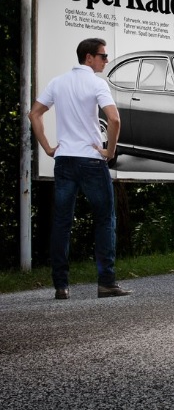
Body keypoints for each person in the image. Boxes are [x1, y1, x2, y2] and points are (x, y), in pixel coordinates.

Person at [28, 38, 132, 299]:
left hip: (64, 161)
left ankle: (61, 286)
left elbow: (34, 114)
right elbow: (114, 118)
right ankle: (106, 282)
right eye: (103, 56)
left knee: (62, 223)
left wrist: (47, 147)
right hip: (91, 161)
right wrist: (109, 151)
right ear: (89, 57)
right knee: (105, 219)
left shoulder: (58, 82)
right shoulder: (97, 83)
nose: (106, 60)